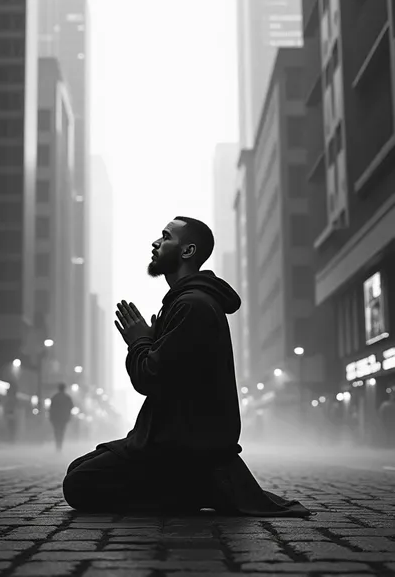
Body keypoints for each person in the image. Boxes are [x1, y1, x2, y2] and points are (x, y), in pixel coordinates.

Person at [63, 217, 311, 516]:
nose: (156, 243)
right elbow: (173, 377)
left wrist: (138, 342)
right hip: (173, 442)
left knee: (78, 484)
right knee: (78, 468)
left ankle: (193, 489)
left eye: (165, 237)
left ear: (187, 251)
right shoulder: (188, 303)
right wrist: (152, 343)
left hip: (184, 451)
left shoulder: (192, 305)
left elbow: (150, 378)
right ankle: (190, 487)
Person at [50, 383, 73, 451]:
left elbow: (51, 408)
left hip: (56, 418)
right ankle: (60, 445)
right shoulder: (67, 397)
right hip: (64, 418)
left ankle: (58, 445)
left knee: (57, 431)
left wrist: (51, 417)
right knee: (62, 431)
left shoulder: (55, 397)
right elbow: (71, 406)